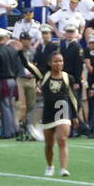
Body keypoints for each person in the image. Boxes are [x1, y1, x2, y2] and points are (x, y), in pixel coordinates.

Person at [39, 50, 79, 178]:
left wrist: (75, 116)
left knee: (62, 139)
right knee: (49, 145)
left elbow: (72, 97)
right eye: (55, 61)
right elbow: (28, 66)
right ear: (50, 63)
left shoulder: (68, 77)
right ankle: (50, 166)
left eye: (60, 61)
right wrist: (20, 52)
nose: (58, 63)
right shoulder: (44, 75)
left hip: (63, 110)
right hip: (49, 112)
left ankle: (63, 168)